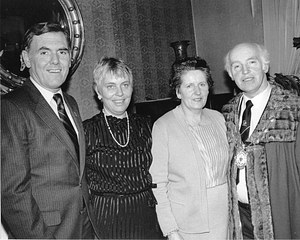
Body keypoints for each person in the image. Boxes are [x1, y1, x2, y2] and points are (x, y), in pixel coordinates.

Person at [1, 22, 100, 239]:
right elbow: (13, 193)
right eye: (44, 52)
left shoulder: (71, 104)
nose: (55, 61)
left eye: (62, 52)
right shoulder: (12, 107)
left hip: (83, 228)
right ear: (27, 59)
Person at [222, 42, 300, 239]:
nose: (245, 71)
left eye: (252, 62)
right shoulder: (226, 112)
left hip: (280, 215)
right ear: (231, 74)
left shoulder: (292, 108)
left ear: (265, 66)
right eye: (237, 66)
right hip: (239, 216)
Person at [83, 57, 164, 239]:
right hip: (108, 218)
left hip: (147, 216)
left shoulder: (148, 125)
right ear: (98, 91)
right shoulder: (86, 131)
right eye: (111, 86)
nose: (119, 93)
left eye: (125, 85)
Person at [150, 57, 229, 240]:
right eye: (189, 86)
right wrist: (171, 230)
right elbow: (158, 185)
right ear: (178, 92)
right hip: (187, 226)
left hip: (225, 218)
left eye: (202, 84)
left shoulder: (219, 119)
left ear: (209, 87)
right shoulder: (163, 126)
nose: (197, 92)